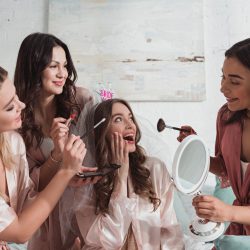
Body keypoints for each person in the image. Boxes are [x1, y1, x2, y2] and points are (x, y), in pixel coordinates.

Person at [13, 32, 94, 249]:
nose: (63, 74)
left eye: (65, 66)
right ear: (34, 68)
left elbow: (101, 151)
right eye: (53, 66)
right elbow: (29, 187)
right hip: (46, 217)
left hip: (86, 206)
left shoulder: (82, 100)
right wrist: (57, 157)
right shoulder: (16, 121)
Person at [72, 98, 184, 249]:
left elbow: (171, 233)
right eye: (118, 119)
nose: (130, 125)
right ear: (102, 131)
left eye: (131, 118)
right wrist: (121, 177)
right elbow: (110, 241)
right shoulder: (85, 181)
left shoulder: (154, 169)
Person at [178, 38, 250, 236]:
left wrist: (229, 212)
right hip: (237, 235)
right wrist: (196, 149)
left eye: (234, 81)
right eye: (223, 77)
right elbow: (226, 170)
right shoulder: (227, 117)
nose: (223, 88)